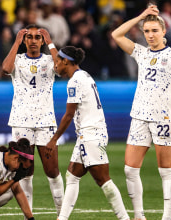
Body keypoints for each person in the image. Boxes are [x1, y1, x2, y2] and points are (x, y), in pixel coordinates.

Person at [111, 5, 171, 220]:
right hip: (139, 117)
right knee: (129, 170)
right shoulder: (141, 53)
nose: (150, 35)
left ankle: (167, 218)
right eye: (147, 31)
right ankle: (139, 216)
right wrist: (142, 16)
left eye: (155, 30)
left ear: (164, 32)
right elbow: (116, 34)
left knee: (165, 171)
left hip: (163, 118)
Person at [46, 46, 130, 220]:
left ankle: (124, 218)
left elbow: (69, 115)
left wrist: (53, 139)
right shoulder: (85, 75)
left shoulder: (75, 81)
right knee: (72, 175)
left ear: (66, 62)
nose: (55, 65)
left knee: (103, 181)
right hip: (88, 134)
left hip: (91, 134)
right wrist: (50, 44)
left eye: (58, 61)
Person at [1, 24, 64, 216]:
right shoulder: (18, 60)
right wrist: (16, 42)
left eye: (38, 37)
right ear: (25, 40)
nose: (34, 41)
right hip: (22, 121)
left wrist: (51, 43)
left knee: (52, 172)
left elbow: (61, 69)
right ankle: (29, 216)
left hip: (45, 121)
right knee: (25, 173)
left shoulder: (48, 60)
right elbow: (5, 68)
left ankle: (62, 215)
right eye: (30, 37)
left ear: (42, 40)